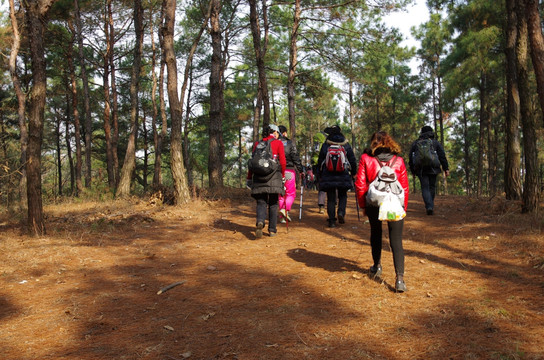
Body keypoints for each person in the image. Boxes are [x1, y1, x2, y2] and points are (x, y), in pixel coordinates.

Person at [355, 131, 409, 293]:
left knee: (376, 233)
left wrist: (363, 205)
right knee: (396, 240)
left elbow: (360, 184)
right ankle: (400, 279)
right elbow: (404, 187)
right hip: (393, 205)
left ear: (373, 144)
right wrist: (403, 207)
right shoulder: (398, 161)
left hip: (374, 202)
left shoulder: (366, 158)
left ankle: (377, 266)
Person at [247, 124, 286, 238]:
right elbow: (283, 162)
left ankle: (260, 221)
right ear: (274, 132)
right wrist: (282, 176)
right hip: (274, 176)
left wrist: (249, 178)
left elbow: (252, 163)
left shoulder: (257, 144)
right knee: (273, 203)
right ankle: (272, 230)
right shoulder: (278, 143)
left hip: (259, 177)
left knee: (261, 202)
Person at [317, 125, 357, 227]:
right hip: (343, 173)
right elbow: (352, 159)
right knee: (343, 195)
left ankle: (331, 221)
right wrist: (354, 172)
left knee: (331, 198)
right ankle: (341, 212)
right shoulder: (345, 143)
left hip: (328, 173)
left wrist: (319, 173)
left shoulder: (326, 144)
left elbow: (321, 159)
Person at [408, 125, 449, 215]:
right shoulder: (435, 142)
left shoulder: (416, 143)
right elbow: (442, 156)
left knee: (425, 187)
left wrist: (413, 170)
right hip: (433, 168)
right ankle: (430, 205)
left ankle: (429, 206)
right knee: (432, 187)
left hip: (420, 169)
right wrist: (446, 168)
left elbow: (411, 157)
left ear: (421, 133)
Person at [277, 125, 304, 223]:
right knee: (290, 193)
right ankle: (285, 210)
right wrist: (301, 169)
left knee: (280, 194)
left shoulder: (274, 143)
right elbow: (295, 157)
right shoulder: (289, 143)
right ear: (284, 133)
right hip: (289, 171)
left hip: (278, 172)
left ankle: (282, 216)